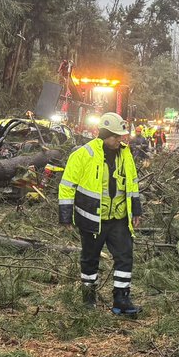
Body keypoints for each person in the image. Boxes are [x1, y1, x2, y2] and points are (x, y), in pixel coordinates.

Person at [58, 112, 143, 315]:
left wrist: (136, 210)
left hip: (119, 218)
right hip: (92, 218)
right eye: (115, 136)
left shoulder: (126, 154)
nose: (120, 139)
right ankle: (88, 298)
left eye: (121, 136)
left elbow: (132, 184)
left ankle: (121, 298)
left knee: (125, 257)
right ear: (105, 135)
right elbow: (67, 186)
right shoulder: (83, 154)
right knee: (90, 259)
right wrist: (65, 215)